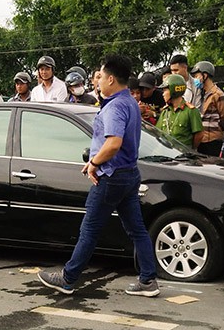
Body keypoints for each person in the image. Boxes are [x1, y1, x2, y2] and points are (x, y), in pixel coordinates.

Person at [37, 54, 159, 298]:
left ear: (111, 79)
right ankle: (148, 280)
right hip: (128, 174)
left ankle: (68, 279)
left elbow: (113, 143)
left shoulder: (114, 106)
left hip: (111, 176)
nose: (98, 81)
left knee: (89, 230)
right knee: (137, 229)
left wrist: (93, 162)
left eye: (101, 76)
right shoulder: (130, 103)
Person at [190, 61, 224, 156]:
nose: (195, 79)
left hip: (212, 140)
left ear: (205, 75)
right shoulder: (201, 93)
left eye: (196, 76)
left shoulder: (217, 94)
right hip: (201, 139)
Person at [156, 74, 204, 149]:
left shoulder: (191, 111)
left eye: (165, 90)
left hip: (183, 156)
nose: (163, 94)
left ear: (174, 90)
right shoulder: (165, 112)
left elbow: (199, 135)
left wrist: (190, 150)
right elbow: (158, 132)